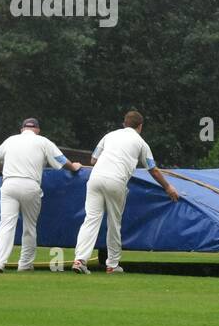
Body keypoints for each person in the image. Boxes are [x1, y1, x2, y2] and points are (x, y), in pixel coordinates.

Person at [72, 111, 179, 275]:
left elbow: (93, 160)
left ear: (124, 124)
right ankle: (112, 265)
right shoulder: (141, 143)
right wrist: (168, 187)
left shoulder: (109, 135)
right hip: (116, 181)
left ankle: (80, 259)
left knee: (91, 220)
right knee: (114, 223)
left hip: (95, 178)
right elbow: (153, 169)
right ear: (140, 126)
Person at [0, 118, 83, 273]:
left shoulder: (10, 140)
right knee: (29, 226)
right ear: (37, 130)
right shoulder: (43, 142)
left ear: (22, 129)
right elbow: (61, 160)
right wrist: (74, 167)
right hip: (30, 185)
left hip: (9, 184)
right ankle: (25, 264)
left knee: (6, 225)